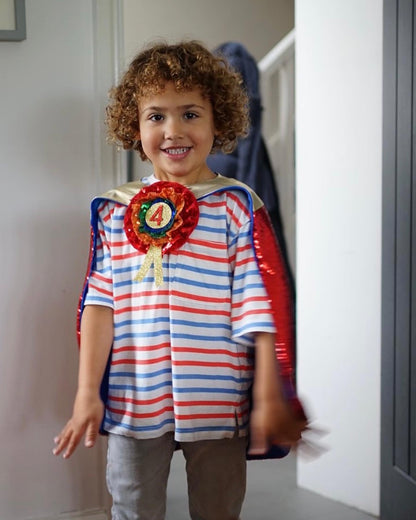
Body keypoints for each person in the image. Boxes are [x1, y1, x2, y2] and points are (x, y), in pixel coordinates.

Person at [53, 40, 307, 520]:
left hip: (218, 398)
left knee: (218, 509)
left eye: (190, 113)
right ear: (135, 125)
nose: (173, 130)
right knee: (132, 506)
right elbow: (101, 304)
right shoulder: (115, 210)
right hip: (135, 396)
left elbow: (260, 304)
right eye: (156, 116)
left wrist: (269, 393)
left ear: (218, 122)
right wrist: (87, 393)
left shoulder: (236, 206)